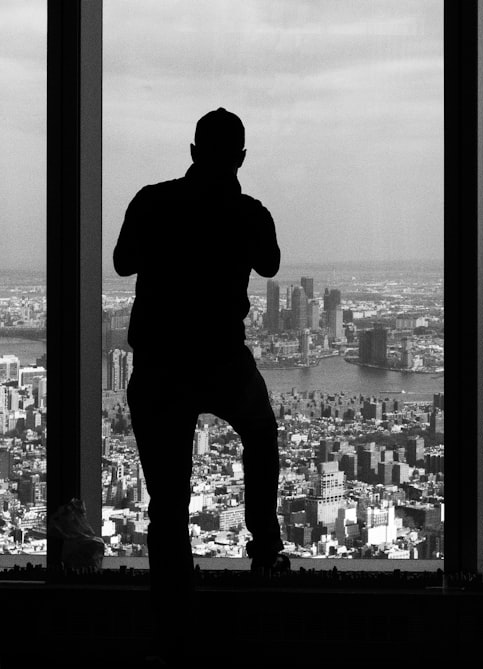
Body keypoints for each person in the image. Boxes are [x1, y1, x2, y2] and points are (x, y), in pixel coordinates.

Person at [114, 108, 288, 661]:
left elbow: (122, 262)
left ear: (192, 151)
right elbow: (270, 264)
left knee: (168, 501)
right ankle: (265, 543)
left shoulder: (152, 201)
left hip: (162, 362)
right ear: (240, 157)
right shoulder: (248, 213)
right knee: (261, 432)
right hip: (219, 356)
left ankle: (173, 621)